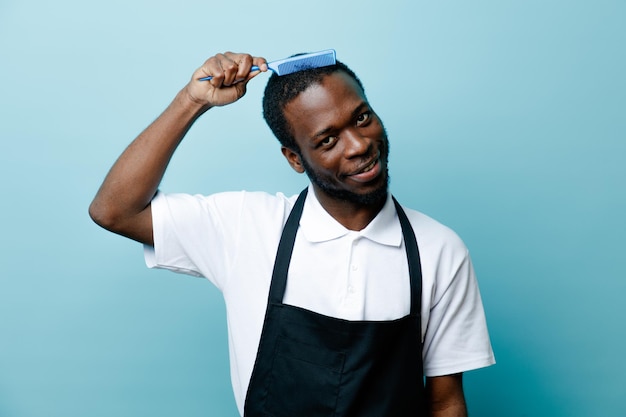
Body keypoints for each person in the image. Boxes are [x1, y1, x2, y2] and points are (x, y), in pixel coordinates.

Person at [89, 51, 495, 416]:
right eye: (328, 139)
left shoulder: (439, 250)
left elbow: (445, 402)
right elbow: (113, 211)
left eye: (362, 118)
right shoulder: (246, 226)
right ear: (294, 159)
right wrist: (191, 101)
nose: (358, 145)